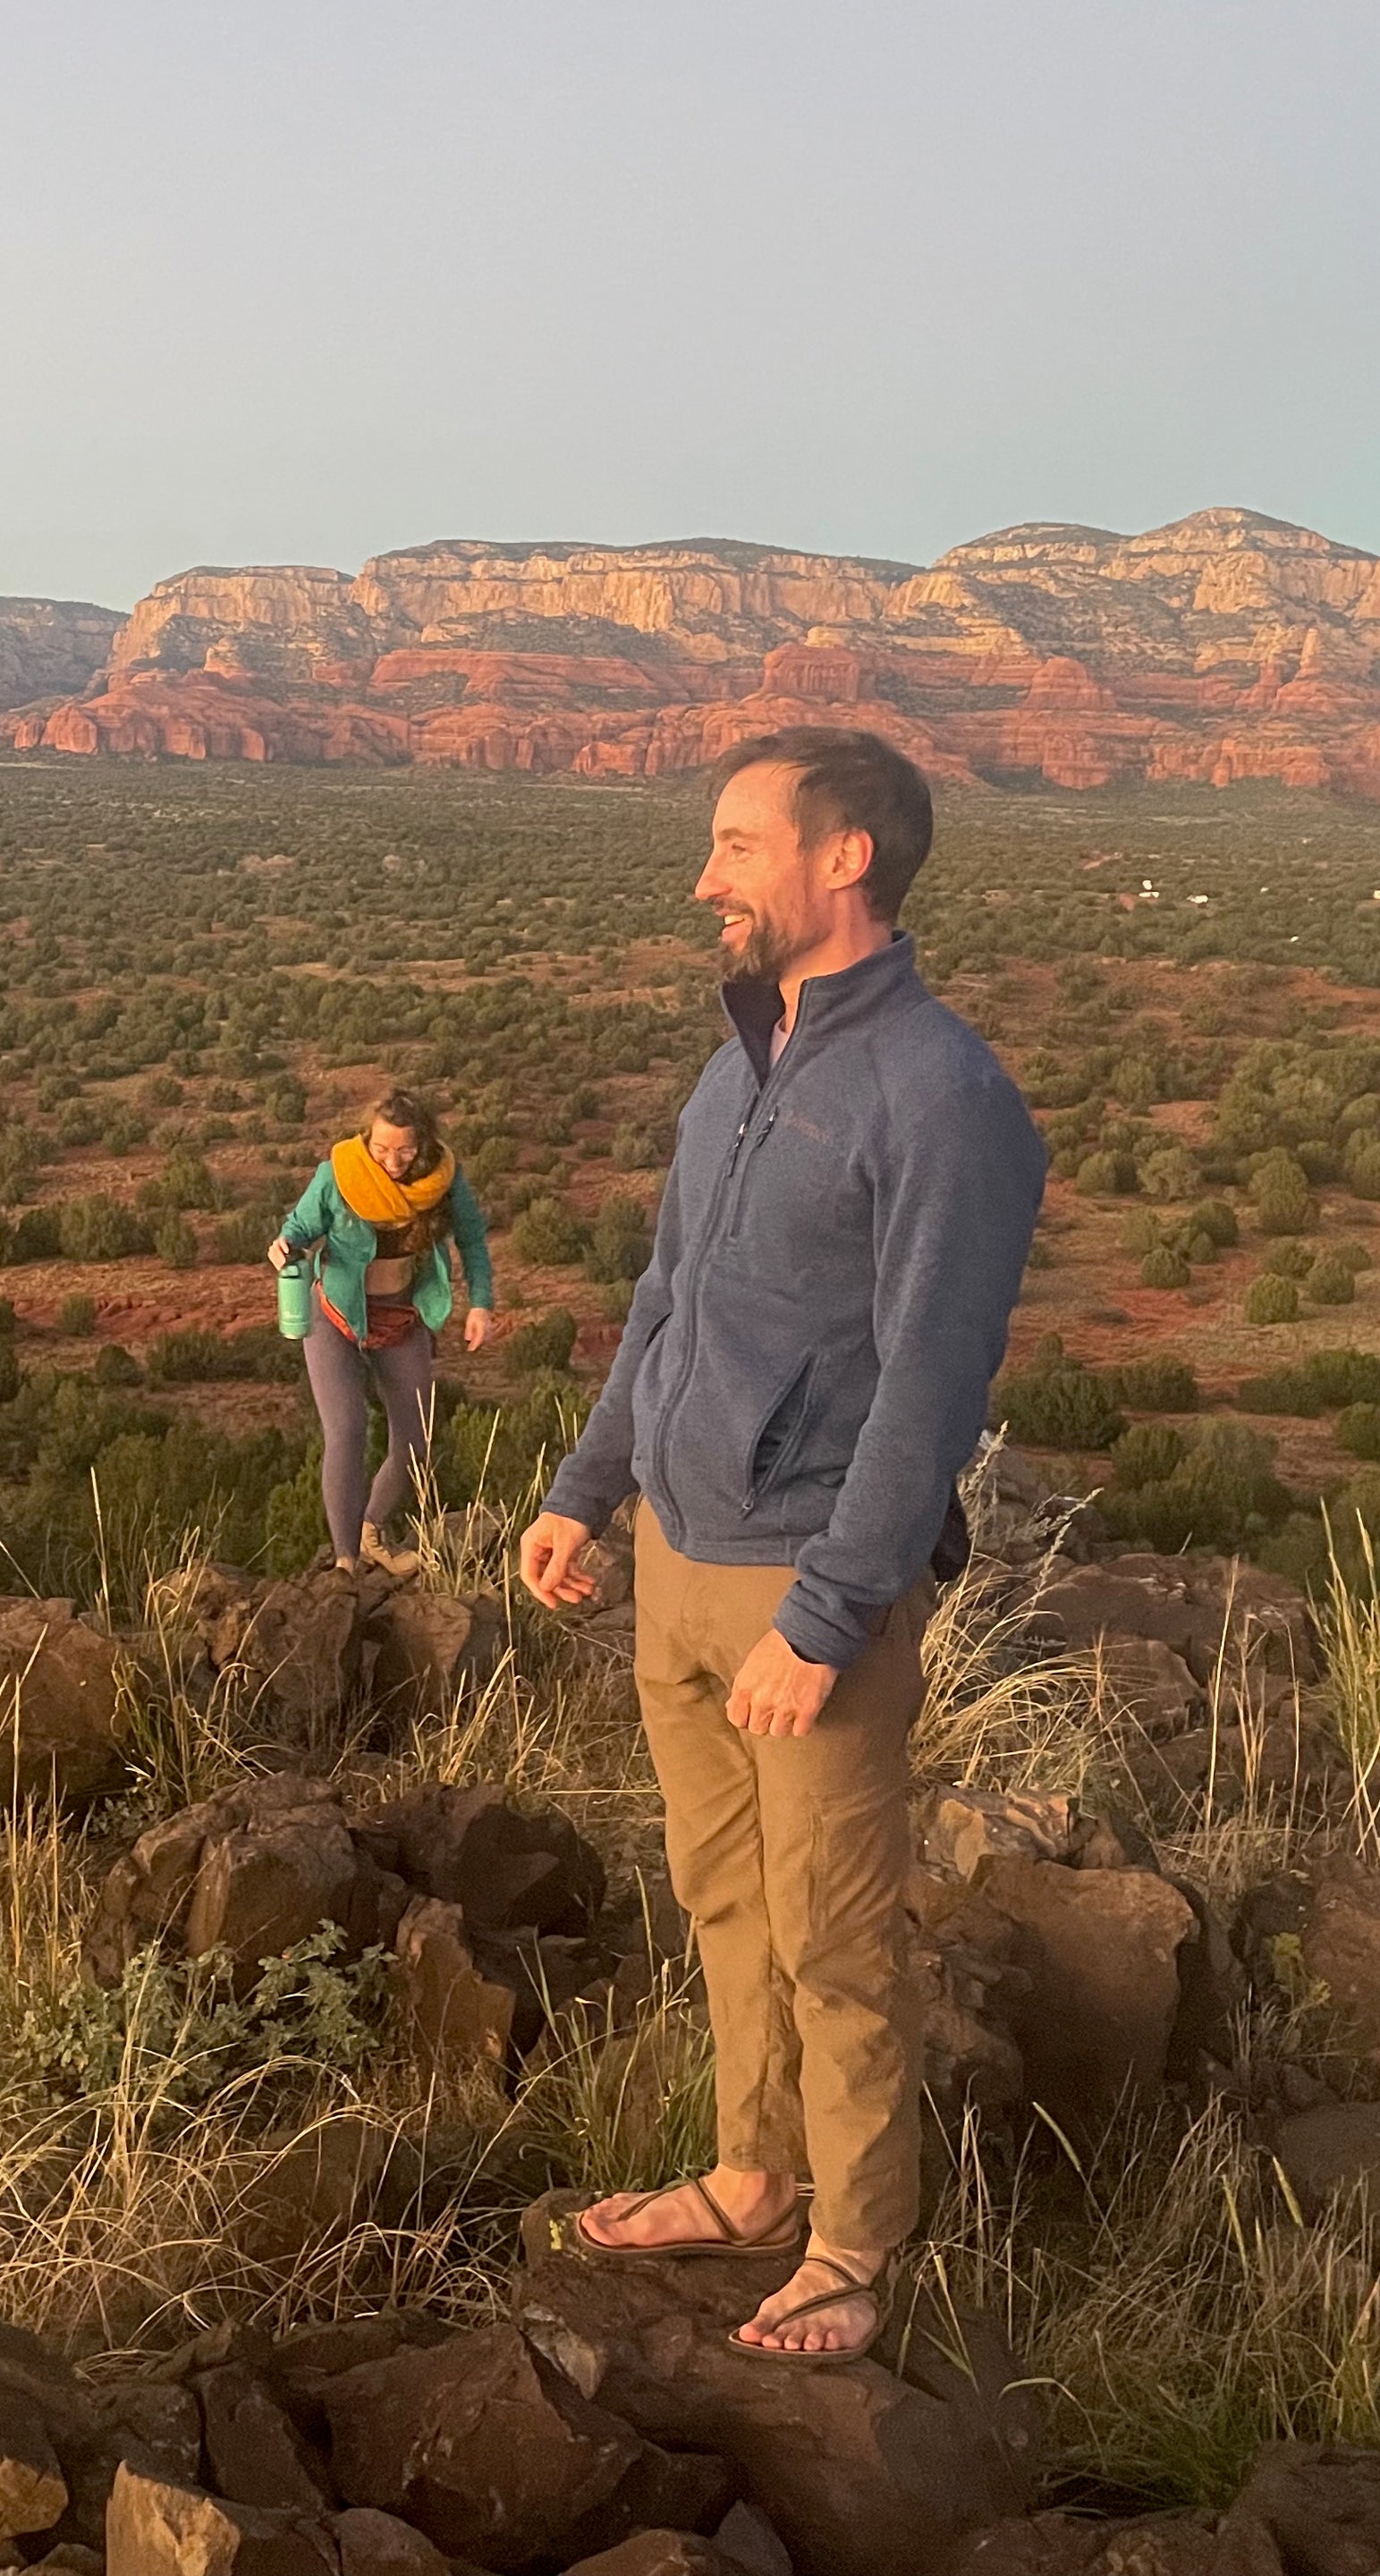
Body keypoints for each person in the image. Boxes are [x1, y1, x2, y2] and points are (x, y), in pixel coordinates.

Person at [517, 727, 1045, 2361]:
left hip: (801, 1579)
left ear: (846, 860)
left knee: (835, 1928)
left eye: (739, 843)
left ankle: (858, 2244)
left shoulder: (943, 1097)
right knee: (723, 1897)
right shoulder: (743, 1059)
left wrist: (825, 1617)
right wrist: (583, 1487)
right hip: (675, 1554)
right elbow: (669, 1300)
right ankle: (753, 2175)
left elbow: (933, 1389)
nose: (705, 877)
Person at [267, 1089, 498, 1572]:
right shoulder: (339, 1174)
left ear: (424, 1146)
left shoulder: (443, 1180)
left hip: (402, 1316)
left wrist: (480, 1304)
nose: (392, 1161)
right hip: (336, 1313)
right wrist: (285, 1245)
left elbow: (473, 1240)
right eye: (382, 1149)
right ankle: (346, 1559)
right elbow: (299, 1227)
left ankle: (373, 1530)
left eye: (406, 1150)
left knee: (416, 1438)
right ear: (366, 1140)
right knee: (348, 1430)